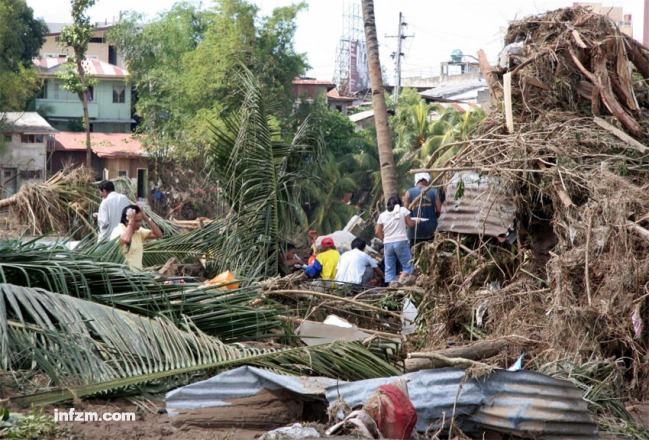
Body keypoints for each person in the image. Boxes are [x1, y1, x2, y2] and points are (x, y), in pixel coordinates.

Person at [375, 195, 419, 285]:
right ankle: (398, 283)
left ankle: (391, 287)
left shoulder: (382, 215)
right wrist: (417, 222)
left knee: (389, 269)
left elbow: (377, 231)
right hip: (401, 241)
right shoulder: (403, 210)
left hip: (388, 243)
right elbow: (410, 224)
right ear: (400, 203)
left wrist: (384, 240)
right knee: (408, 267)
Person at [110, 204, 163, 270]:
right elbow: (126, 239)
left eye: (140, 221)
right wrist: (131, 220)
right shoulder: (118, 230)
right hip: (124, 275)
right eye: (136, 221)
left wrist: (146, 218)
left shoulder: (139, 231)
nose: (139, 224)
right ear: (126, 221)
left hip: (137, 276)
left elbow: (158, 234)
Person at [403, 172, 442, 247]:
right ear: (426, 180)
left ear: (417, 180)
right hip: (431, 230)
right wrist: (434, 217)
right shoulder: (434, 192)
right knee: (430, 254)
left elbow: (404, 212)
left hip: (414, 231)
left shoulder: (408, 193)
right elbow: (439, 210)